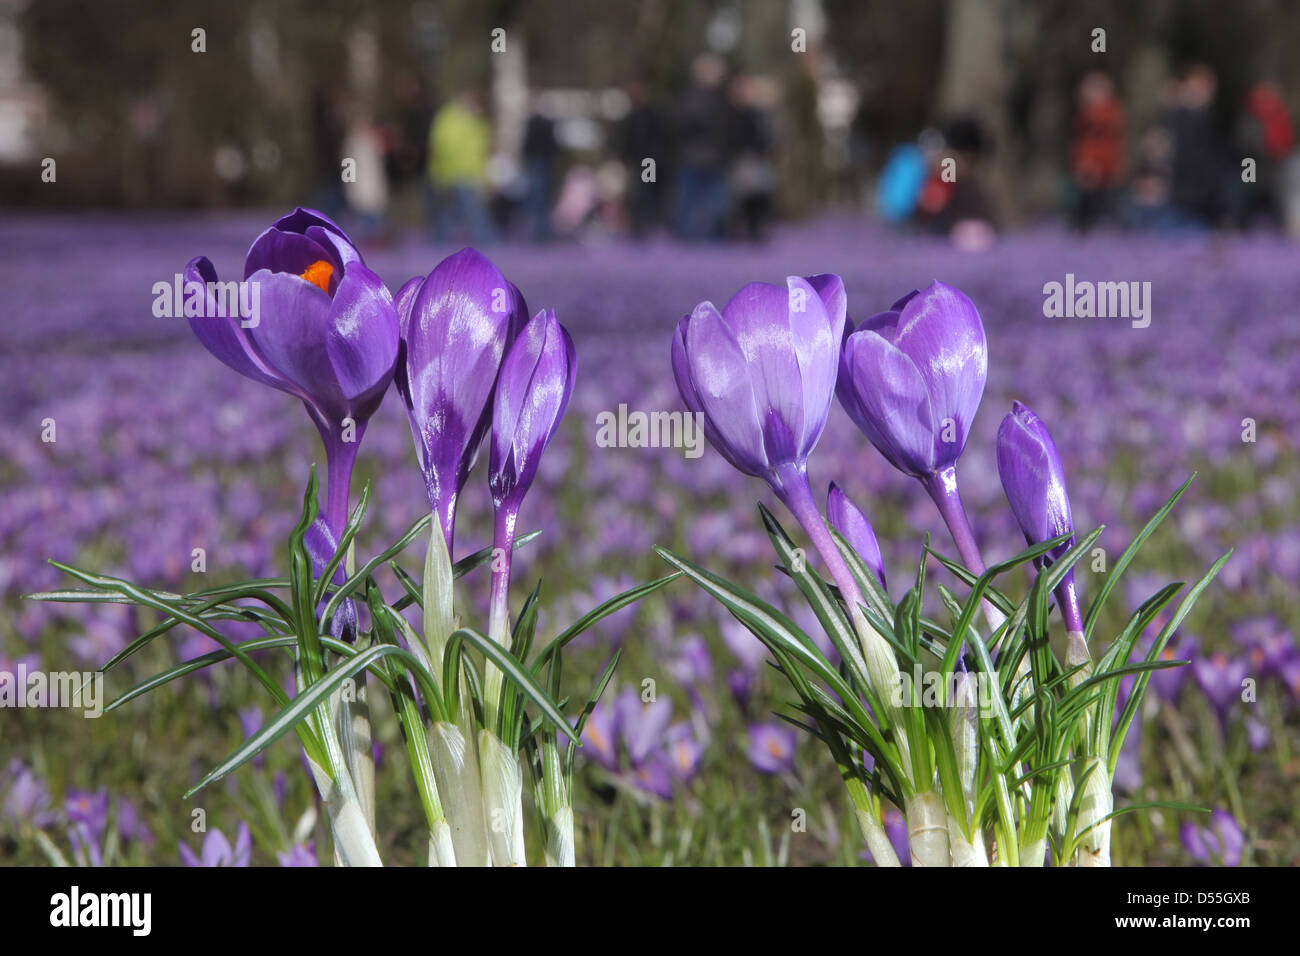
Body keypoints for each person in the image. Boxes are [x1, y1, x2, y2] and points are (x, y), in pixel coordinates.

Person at [672, 54, 733, 241]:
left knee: (715, 204)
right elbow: (681, 129)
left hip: (711, 159)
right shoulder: (692, 99)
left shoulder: (720, 99)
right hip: (696, 159)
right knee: (692, 203)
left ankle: (709, 239)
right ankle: (688, 239)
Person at [427, 89, 495, 243]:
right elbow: (442, 145)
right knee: (468, 211)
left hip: (466, 172)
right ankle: (484, 241)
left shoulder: (474, 120)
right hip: (456, 172)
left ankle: (483, 242)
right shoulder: (453, 118)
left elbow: (484, 148)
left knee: (462, 211)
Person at [1069, 72, 1125, 230]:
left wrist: (1093, 163)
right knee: (1088, 199)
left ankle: (1107, 227)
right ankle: (1086, 227)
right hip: (1089, 161)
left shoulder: (1106, 113)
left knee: (1105, 199)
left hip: (1102, 162)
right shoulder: (1085, 114)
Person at [1235, 80, 1294, 229]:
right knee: (1249, 196)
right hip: (1252, 164)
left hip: (1273, 165)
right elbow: (1245, 144)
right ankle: (1244, 224)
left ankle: (1276, 227)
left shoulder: (1278, 115)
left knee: (1275, 198)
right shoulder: (1250, 116)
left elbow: (1285, 141)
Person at [727, 74, 776, 241]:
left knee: (758, 197)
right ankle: (738, 232)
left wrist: (765, 151)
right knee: (739, 199)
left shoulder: (759, 113)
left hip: (757, 159)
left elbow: (766, 136)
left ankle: (756, 230)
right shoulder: (730, 113)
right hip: (738, 160)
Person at [618, 80, 668, 239]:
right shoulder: (631, 116)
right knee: (636, 194)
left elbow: (659, 139)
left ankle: (648, 224)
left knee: (646, 192)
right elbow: (626, 141)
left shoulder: (650, 115)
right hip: (636, 162)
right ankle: (637, 226)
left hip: (648, 162)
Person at [520, 94, 558, 242]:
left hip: (539, 162)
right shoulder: (540, 123)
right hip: (539, 162)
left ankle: (540, 232)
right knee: (538, 199)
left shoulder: (540, 123)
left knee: (538, 199)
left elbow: (529, 144)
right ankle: (538, 232)